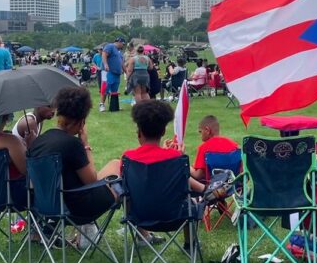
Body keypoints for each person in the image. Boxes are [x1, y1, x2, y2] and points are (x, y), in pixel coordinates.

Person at [28, 87, 120, 228]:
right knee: (118, 170)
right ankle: (141, 234)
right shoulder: (72, 144)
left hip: (45, 206)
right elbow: (91, 180)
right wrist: (85, 144)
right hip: (76, 210)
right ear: (81, 121)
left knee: (113, 166)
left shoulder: (38, 142)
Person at [122, 100, 206, 248]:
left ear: (139, 132)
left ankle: (142, 236)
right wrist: (177, 156)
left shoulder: (128, 158)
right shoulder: (176, 157)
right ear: (163, 131)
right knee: (191, 202)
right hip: (175, 217)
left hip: (138, 217)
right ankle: (190, 244)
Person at [190, 115, 239, 182]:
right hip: (232, 185)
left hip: (213, 187)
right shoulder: (234, 145)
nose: (200, 135)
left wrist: (186, 166)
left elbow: (198, 175)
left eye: (200, 131)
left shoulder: (204, 148)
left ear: (207, 130)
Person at [100, 37, 125, 112]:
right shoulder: (110, 46)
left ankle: (114, 105)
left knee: (115, 90)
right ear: (119, 42)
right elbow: (104, 54)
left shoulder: (119, 52)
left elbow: (122, 63)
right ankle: (102, 104)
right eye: (123, 44)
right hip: (109, 72)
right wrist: (105, 64)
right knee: (106, 87)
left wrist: (126, 71)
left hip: (117, 73)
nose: (123, 46)